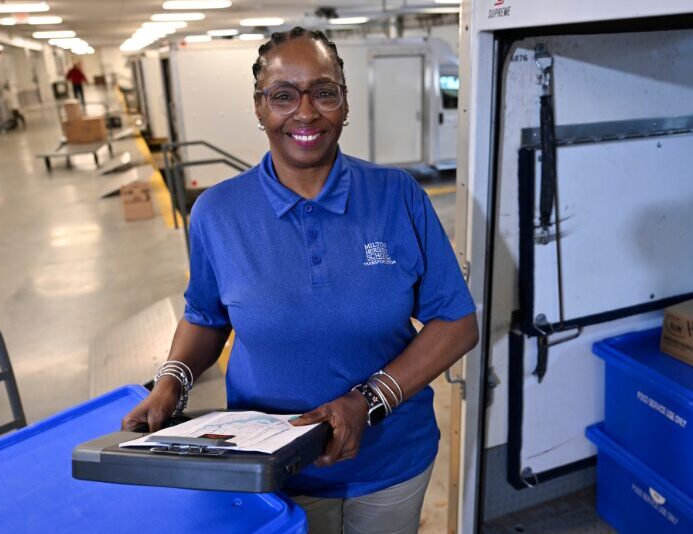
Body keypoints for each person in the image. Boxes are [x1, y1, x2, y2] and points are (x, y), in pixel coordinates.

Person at [122, 27, 478, 534]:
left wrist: (368, 402)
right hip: (271, 471)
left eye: (324, 92)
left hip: (391, 464)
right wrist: (171, 382)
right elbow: (205, 315)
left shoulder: (397, 196)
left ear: (345, 102)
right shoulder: (218, 213)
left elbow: (457, 323)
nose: (306, 113)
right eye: (284, 96)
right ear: (260, 107)